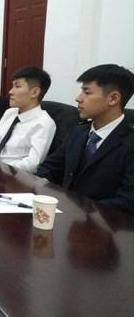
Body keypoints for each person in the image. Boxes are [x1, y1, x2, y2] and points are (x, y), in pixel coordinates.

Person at [36, 64, 134, 215]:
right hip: (65, 215)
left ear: (113, 98)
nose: (78, 98)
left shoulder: (130, 141)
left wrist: (80, 210)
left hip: (106, 223)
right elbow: (49, 167)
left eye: (87, 92)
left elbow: (128, 200)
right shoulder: (78, 132)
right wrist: (43, 189)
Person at [0, 66, 56, 173]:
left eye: (17, 86)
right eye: (12, 86)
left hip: (15, 176)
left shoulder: (43, 123)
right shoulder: (10, 113)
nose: (11, 91)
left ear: (35, 92)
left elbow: (31, 164)